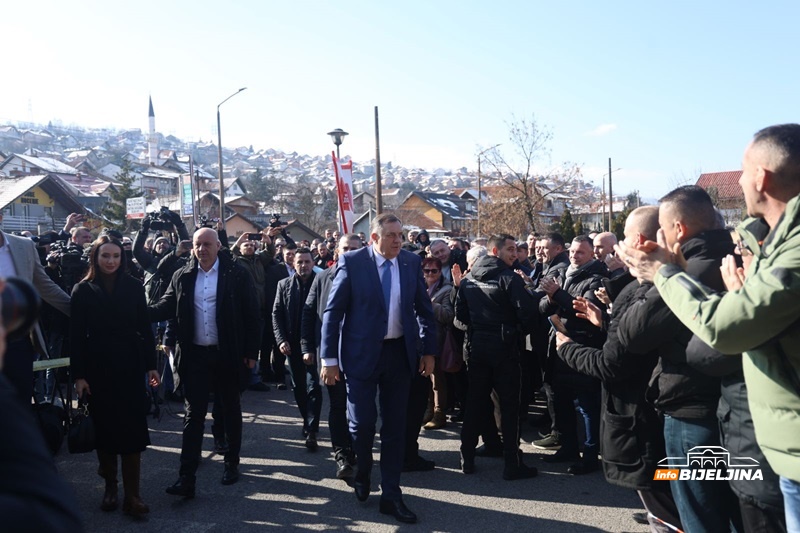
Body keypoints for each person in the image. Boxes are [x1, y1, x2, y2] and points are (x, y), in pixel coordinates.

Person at [617, 124, 800, 532]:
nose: (736, 179)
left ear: (761, 177)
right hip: (758, 438)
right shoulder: (760, 247)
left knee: (701, 513)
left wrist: (659, 276)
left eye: (741, 169)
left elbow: (711, 338)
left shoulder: (701, 268)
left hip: (705, 421)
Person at [615, 186, 742, 532]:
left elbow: (633, 335)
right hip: (735, 414)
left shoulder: (690, 271)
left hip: (692, 416)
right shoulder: (737, 260)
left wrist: (652, 277)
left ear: (679, 230)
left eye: (664, 230)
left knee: (699, 517)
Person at [556, 207, 683, 531]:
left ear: (638, 241)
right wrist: (607, 322)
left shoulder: (648, 291)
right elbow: (634, 340)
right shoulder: (660, 285)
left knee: (667, 509)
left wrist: (566, 347)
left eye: (623, 238)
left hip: (641, 415)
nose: (616, 248)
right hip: (651, 411)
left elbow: (612, 364)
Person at [320, 213, 436, 524]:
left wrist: (429, 352)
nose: (399, 240)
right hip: (360, 356)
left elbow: (424, 311)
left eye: (401, 234)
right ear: (374, 238)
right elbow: (333, 313)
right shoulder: (353, 262)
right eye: (391, 235)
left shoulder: (411, 263)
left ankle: (391, 494)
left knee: (396, 427)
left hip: (399, 355)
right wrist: (328, 359)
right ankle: (362, 469)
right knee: (362, 424)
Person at [149, 228, 261, 497]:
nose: (202, 249)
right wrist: (133, 307)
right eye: (198, 244)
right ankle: (186, 476)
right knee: (193, 414)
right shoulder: (183, 276)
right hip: (195, 355)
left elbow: (252, 315)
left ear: (219, 245)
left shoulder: (236, 274)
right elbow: (166, 307)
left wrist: (251, 353)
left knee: (231, 409)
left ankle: (231, 463)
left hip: (228, 354)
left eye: (207, 244)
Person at [71, 235, 160, 517]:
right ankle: (111, 487)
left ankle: (133, 496)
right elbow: (76, 337)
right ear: (95, 258)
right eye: (105, 256)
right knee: (106, 429)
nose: (111, 261)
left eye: (116, 256)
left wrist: (151, 365)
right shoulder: (83, 290)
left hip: (130, 365)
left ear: (122, 259)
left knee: (132, 430)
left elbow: (146, 330)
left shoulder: (134, 287)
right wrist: (79, 375)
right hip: (98, 368)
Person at [456, 234, 539, 480]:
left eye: (516, 249)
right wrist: (514, 331)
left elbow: (461, 316)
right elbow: (528, 314)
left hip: (478, 348)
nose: (514, 254)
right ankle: (512, 464)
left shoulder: (468, 278)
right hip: (503, 351)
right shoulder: (509, 278)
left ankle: (466, 457)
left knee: (475, 404)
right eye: (510, 249)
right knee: (509, 407)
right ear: (495, 251)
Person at [538, 235, 608, 475]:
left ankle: (590, 455)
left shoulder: (597, 277)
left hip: (583, 348)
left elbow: (583, 309)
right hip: (559, 347)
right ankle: (568, 448)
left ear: (591, 255)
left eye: (580, 253)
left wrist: (557, 294)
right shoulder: (565, 274)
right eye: (572, 252)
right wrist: (551, 297)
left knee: (588, 406)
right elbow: (542, 307)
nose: (574, 257)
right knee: (561, 402)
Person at [301, 234, 363, 479]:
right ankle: (342, 454)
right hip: (331, 356)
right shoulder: (322, 277)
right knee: (337, 404)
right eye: (345, 248)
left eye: (354, 249)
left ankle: (357, 448)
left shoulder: (371, 276)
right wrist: (307, 347)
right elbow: (308, 313)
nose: (349, 252)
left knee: (359, 406)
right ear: (336, 251)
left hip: (360, 355)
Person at [0, 215, 71, 405]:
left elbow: (45, 287)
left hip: (18, 342)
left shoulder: (23, 246)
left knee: (19, 404)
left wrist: (78, 312)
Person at [273, 248, 321, 450]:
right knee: (299, 387)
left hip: (315, 345)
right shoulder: (283, 285)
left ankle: (312, 429)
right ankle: (306, 419)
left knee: (313, 388)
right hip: (292, 346)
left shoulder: (321, 283)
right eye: (300, 262)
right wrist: (281, 339)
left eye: (307, 261)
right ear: (293, 263)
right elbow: (276, 315)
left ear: (313, 262)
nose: (304, 265)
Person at [421, 257, 453, 431]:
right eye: (427, 270)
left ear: (440, 272)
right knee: (425, 377)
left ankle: (440, 413)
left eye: (434, 270)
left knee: (437, 378)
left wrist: (430, 305)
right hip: (420, 338)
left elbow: (449, 315)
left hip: (438, 338)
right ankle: (429, 409)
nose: (430, 274)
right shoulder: (419, 286)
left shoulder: (446, 289)